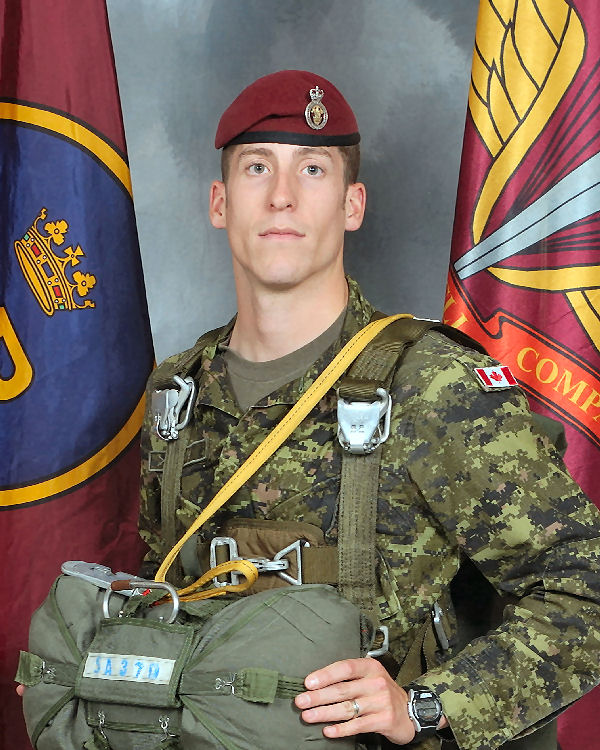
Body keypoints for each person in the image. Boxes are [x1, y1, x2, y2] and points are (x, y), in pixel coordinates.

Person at [138, 70, 600, 749]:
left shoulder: (432, 384)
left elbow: (583, 587)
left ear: (352, 205)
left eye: (313, 169)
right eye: (257, 167)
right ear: (220, 202)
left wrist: (426, 705)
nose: (282, 196)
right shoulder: (178, 392)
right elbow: (164, 598)